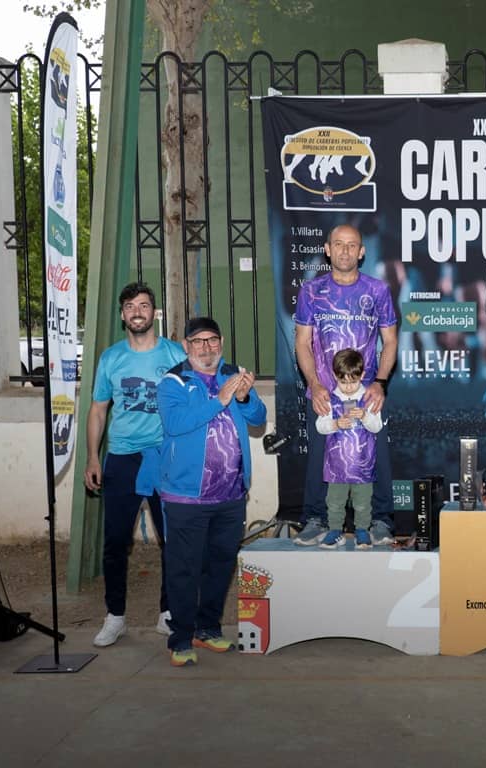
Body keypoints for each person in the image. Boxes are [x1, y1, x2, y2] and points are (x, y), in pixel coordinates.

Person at [157, 317, 266, 667]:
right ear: (186, 346)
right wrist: (220, 399)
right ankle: (180, 638)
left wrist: (244, 397)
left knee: (220, 566)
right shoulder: (173, 382)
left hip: (231, 495)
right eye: (198, 341)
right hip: (186, 497)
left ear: (221, 342)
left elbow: (258, 417)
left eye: (212, 340)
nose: (206, 347)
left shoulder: (233, 374)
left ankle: (207, 629)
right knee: (184, 569)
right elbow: (176, 424)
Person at [83, 282, 186, 647]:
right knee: (115, 541)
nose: (137, 312)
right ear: (122, 315)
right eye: (130, 306)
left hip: (164, 456)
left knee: (172, 540)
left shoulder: (175, 353)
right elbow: (98, 410)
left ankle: (168, 613)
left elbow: (191, 403)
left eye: (143, 305)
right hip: (122, 457)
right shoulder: (111, 358)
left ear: (153, 312)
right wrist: (93, 456)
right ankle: (115, 616)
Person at [292, 223, 398, 546]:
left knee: (376, 458)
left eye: (352, 245)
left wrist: (380, 382)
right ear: (327, 249)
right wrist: (315, 384)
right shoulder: (311, 291)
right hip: (325, 394)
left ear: (361, 252)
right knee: (320, 460)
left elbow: (390, 341)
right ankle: (316, 519)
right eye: (338, 244)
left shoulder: (377, 290)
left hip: (366, 394)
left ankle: (381, 520)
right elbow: (302, 342)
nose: (345, 251)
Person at [315, 348, 384, 549]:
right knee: (334, 501)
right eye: (343, 382)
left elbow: (377, 426)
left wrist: (365, 416)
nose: (348, 387)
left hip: (363, 464)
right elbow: (320, 426)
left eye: (352, 382)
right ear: (334, 375)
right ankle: (335, 531)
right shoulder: (329, 399)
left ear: (362, 375)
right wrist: (335, 424)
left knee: (363, 501)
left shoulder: (370, 398)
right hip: (336, 465)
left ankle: (362, 530)